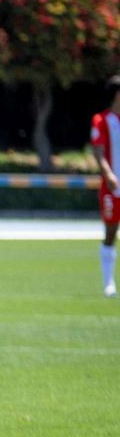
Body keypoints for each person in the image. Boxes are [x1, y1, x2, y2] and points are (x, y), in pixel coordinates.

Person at [90, 74, 120, 297]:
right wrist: (108, 174)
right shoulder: (101, 120)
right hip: (112, 187)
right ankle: (108, 283)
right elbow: (98, 151)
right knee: (110, 232)